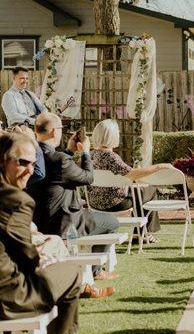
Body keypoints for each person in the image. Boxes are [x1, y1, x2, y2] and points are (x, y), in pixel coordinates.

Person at [0, 132, 81, 333]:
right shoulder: (15, 200)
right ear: (3, 160)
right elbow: (27, 258)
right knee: (73, 272)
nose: (30, 170)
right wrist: (41, 259)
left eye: (33, 163)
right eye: (23, 162)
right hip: (10, 299)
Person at [27, 112, 120, 281]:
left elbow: (56, 173)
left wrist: (69, 150)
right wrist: (85, 152)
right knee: (111, 222)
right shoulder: (60, 159)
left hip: (37, 221)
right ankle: (96, 272)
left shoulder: (30, 156)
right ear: (55, 132)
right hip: (65, 223)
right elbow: (88, 177)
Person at [87, 119, 170, 239]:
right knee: (149, 191)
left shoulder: (90, 155)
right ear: (113, 136)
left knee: (137, 192)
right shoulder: (111, 157)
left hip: (94, 203)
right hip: (115, 203)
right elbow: (132, 174)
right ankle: (143, 234)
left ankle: (140, 233)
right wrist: (159, 166)